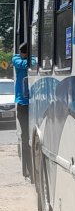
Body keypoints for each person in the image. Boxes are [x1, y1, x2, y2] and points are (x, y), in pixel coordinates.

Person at [12, 42, 32, 180]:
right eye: (21, 52)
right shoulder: (16, 59)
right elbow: (25, 65)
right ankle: (27, 169)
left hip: (33, 103)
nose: (21, 54)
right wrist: (29, 59)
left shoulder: (32, 58)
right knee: (25, 137)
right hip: (22, 104)